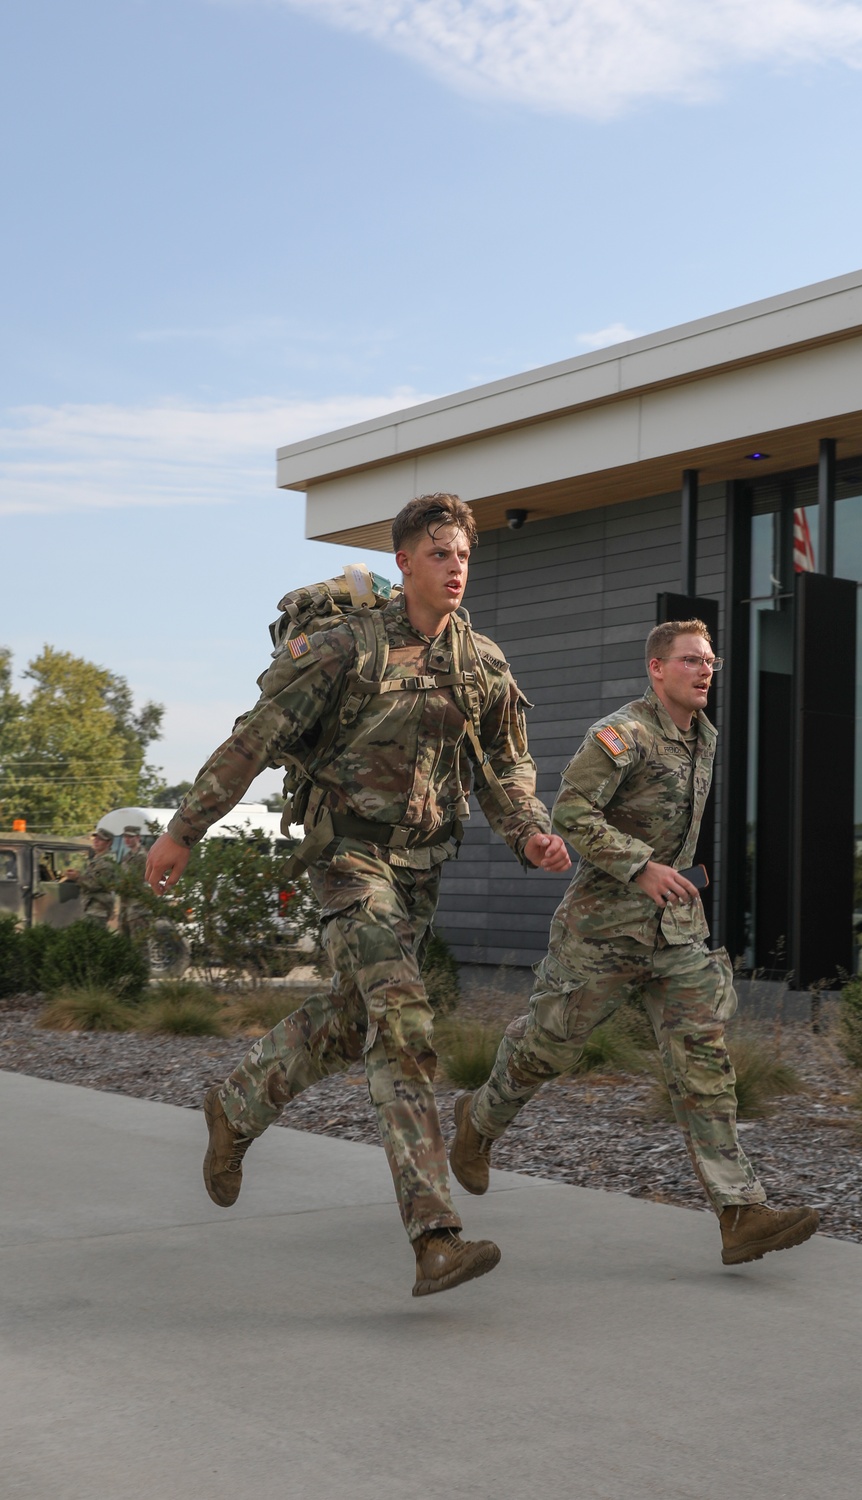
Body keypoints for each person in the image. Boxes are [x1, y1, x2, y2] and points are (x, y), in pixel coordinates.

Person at [145, 493, 570, 1296]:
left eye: (463, 555)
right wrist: (183, 829)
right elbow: (255, 737)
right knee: (404, 1022)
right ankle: (435, 1235)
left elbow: (505, 768)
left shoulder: (482, 664)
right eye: (438, 553)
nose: (455, 568)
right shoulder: (347, 649)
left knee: (355, 1021)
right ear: (403, 561)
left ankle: (235, 1108)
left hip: (419, 872)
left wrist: (530, 832)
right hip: (346, 858)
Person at [450, 619, 820, 1268]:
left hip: (673, 936)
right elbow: (571, 815)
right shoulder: (622, 736)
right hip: (602, 933)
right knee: (546, 1049)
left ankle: (740, 1213)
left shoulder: (700, 737)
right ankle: (477, 1123)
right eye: (690, 661)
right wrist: (640, 866)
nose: (705, 671)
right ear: (656, 669)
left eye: (710, 661)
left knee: (702, 1062)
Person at [63, 826, 119, 927]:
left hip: (98, 909)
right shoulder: (97, 859)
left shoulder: (106, 861)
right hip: (91, 906)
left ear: (109, 843)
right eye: (95, 838)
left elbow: (95, 884)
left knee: (94, 938)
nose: (96, 841)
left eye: (100, 839)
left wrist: (77, 877)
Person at [117, 825, 152, 944]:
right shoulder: (126, 857)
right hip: (126, 905)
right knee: (124, 942)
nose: (127, 839)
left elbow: (139, 880)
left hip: (139, 906)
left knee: (139, 943)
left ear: (138, 837)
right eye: (125, 837)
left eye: (130, 837)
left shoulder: (143, 857)